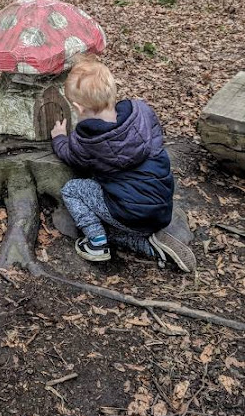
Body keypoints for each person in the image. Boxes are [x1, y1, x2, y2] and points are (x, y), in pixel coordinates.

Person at [50, 55, 196, 273]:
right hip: (161, 206)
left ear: (79, 108)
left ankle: (97, 244)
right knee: (119, 220)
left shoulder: (89, 140)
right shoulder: (142, 112)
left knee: (72, 190)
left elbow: (71, 156)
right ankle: (151, 246)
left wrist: (59, 137)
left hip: (128, 212)